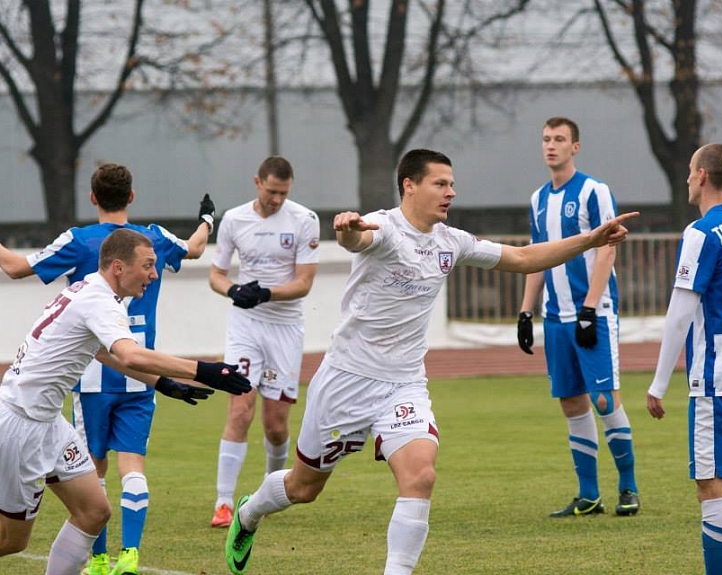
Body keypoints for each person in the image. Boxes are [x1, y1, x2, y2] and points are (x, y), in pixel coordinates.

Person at [221, 148, 638, 575]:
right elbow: (358, 239)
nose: (450, 193)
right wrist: (347, 230)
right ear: (410, 185)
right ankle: (250, 513)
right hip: (346, 380)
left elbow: (522, 258)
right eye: (440, 184)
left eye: (451, 184)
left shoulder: (450, 242)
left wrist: (591, 240)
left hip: (404, 385)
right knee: (304, 488)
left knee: (421, 476)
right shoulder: (384, 227)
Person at [0, 162, 216, 575]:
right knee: (16, 538)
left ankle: (100, 560)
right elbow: (194, 248)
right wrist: (207, 219)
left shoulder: (78, 243)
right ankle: (124, 554)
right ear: (131, 196)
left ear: (93, 197)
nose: (151, 273)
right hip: (120, 369)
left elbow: (14, 267)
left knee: (95, 503)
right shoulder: (150, 238)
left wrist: (167, 381)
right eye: (148, 268)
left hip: (96, 379)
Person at [647, 144, 722, 575]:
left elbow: (680, 314)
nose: (686, 180)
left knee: (711, 489)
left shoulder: (702, 232)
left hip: (720, 378)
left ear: (700, 175)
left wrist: (658, 384)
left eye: (688, 172)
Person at [516, 116, 640, 517]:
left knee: (604, 400)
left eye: (560, 139)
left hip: (594, 313)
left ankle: (628, 487)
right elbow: (536, 257)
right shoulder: (537, 199)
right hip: (555, 318)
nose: (551, 145)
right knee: (571, 403)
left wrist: (590, 306)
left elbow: (608, 247)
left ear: (576, 147)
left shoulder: (593, 190)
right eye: (546, 138)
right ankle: (589, 495)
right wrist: (525, 311)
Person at [208, 155, 320, 528]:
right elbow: (216, 276)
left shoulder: (304, 220)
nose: (276, 200)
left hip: (285, 329)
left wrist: (266, 293)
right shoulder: (235, 219)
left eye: (283, 194)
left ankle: (272, 492)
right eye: (271, 192)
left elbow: (304, 283)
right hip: (246, 327)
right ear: (258, 183)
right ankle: (223, 503)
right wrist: (235, 291)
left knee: (275, 425)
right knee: (240, 410)